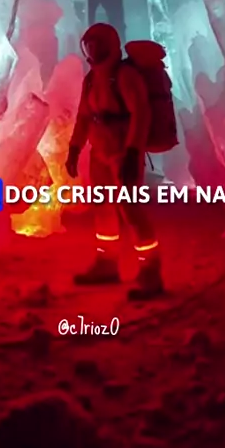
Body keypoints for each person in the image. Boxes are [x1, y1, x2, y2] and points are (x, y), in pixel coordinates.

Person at [65, 23, 164, 300]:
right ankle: (106, 263)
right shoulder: (92, 79)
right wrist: (74, 149)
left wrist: (133, 151)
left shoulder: (125, 75)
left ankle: (151, 270)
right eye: (89, 45)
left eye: (97, 44)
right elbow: (84, 117)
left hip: (123, 152)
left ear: (109, 45)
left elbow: (141, 113)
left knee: (130, 209)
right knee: (103, 209)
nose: (92, 50)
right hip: (100, 153)